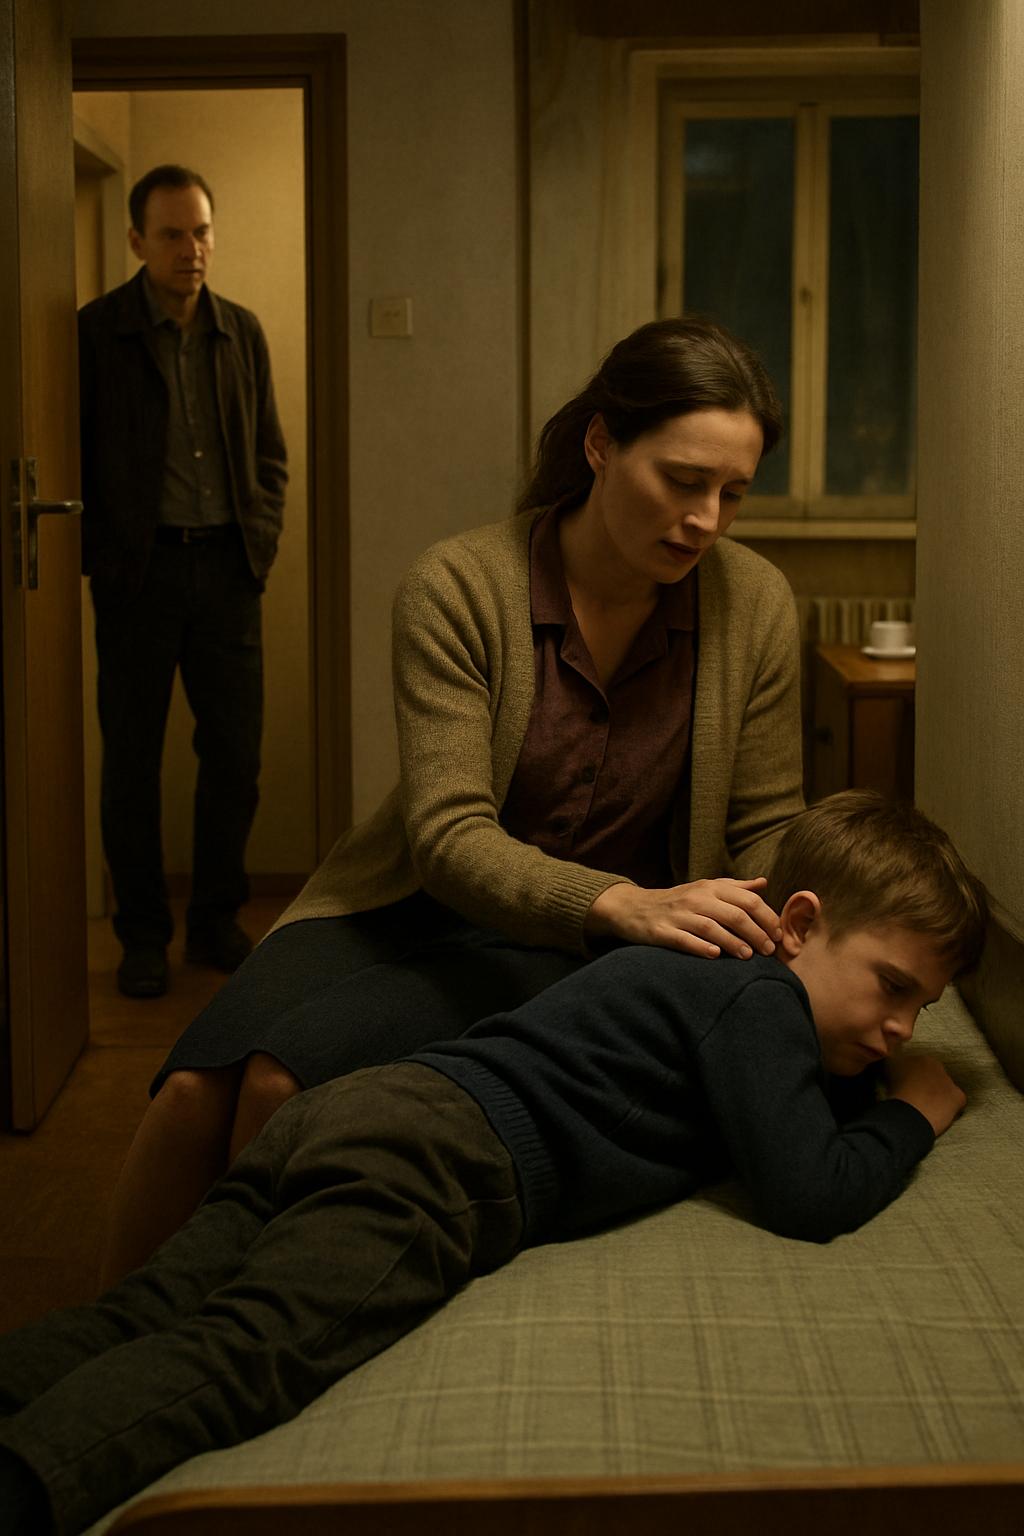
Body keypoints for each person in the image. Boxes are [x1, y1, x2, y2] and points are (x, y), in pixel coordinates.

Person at [0, 791, 988, 1536]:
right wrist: (913, 1114)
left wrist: (864, 1070)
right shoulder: (761, 1003)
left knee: (146, 1308)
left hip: (361, 1108)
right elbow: (810, 1191)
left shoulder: (697, 968)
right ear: (800, 925)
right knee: (249, 1352)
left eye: (922, 1009)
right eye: (891, 987)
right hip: (438, 1167)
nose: (902, 1027)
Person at [99, 313, 805, 1284]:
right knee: (190, 1088)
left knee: (276, 1083)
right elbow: (446, 835)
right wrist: (617, 900)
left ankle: (226, 1327)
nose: (707, 520)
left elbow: (769, 822)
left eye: (733, 493)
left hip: (580, 944)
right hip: (408, 903)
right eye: (683, 481)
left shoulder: (752, 603)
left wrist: (808, 927)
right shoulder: (461, 586)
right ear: (601, 444)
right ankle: (110, 1331)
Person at [78, 163, 288, 999]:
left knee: (235, 756)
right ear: (137, 240)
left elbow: (269, 454)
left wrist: (259, 543)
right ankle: (141, 935)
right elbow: (71, 451)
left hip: (228, 570)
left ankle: (214, 920)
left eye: (201, 232)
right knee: (131, 761)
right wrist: (101, 555)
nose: (191, 249)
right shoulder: (98, 333)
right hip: (139, 574)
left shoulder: (241, 331)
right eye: (172, 234)